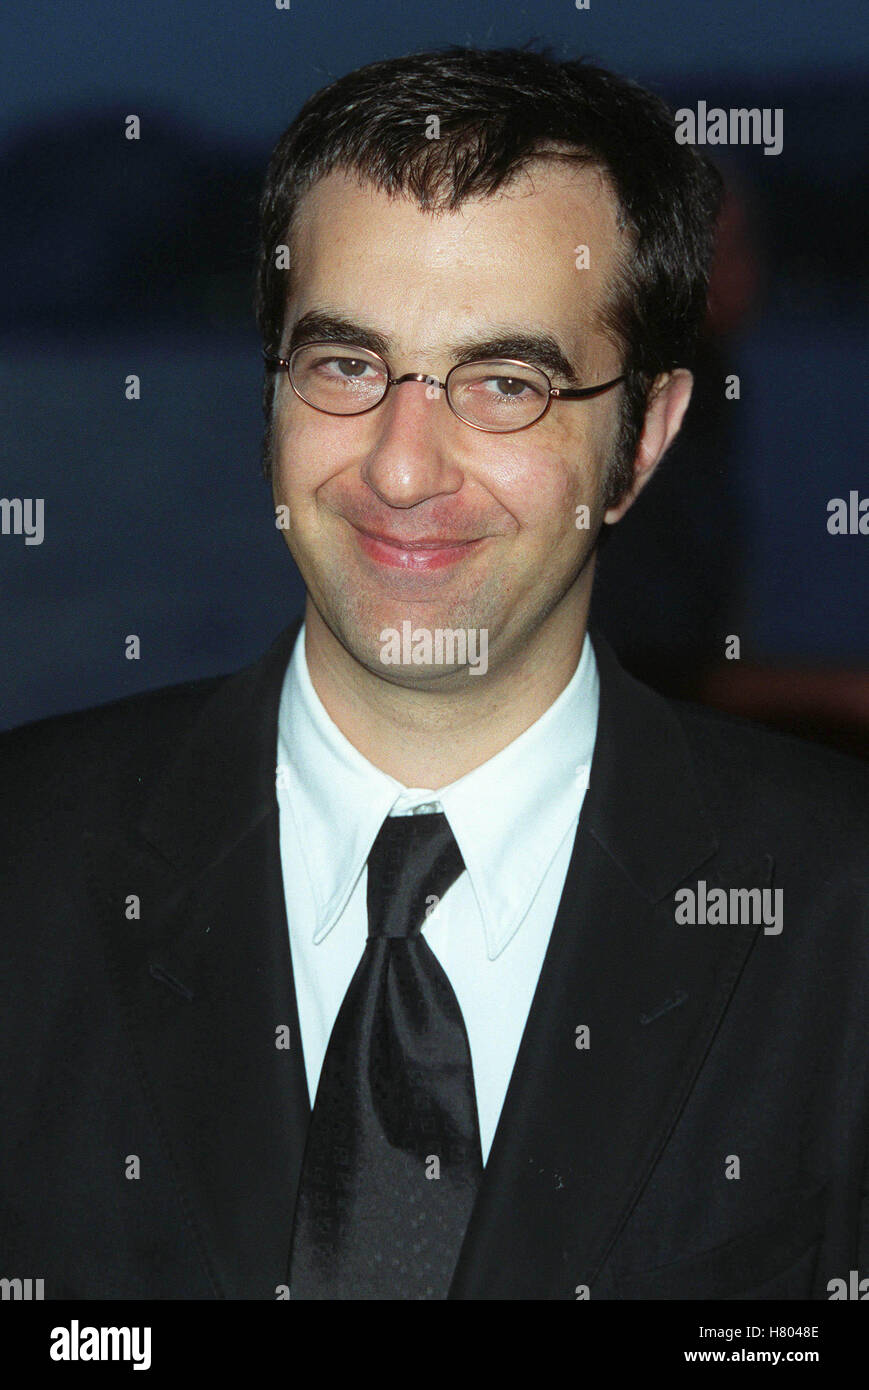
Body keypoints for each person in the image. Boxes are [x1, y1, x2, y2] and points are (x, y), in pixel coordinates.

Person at [1, 46, 866, 1302]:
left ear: (646, 438)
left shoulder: (836, 919)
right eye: (346, 364)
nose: (402, 467)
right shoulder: (25, 863)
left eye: (504, 383)